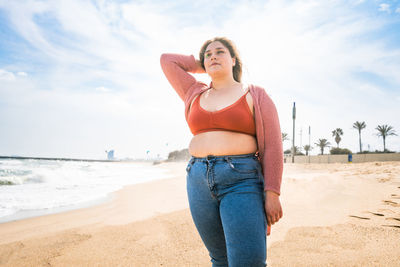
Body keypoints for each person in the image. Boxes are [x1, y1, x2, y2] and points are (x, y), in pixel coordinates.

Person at [160, 37, 283, 267]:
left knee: (248, 262)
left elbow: (274, 145)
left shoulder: (255, 94)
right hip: (198, 180)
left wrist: (272, 192)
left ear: (234, 59)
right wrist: (204, 64)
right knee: (220, 259)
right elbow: (167, 61)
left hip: (241, 179)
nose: (213, 56)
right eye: (208, 54)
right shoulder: (194, 92)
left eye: (220, 52)